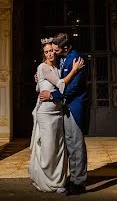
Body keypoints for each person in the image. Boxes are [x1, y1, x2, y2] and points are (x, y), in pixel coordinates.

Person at [30, 38, 84, 194]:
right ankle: (47, 182)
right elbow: (61, 84)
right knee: (48, 148)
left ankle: (58, 180)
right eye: (47, 51)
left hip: (58, 113)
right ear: (43, 54)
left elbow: (45, 85)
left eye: (52, 50)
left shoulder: (57, 67)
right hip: (46, 113)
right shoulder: (44, 67)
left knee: (59, 148)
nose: (50, 53)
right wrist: (74, 70)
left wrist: (41, 82)